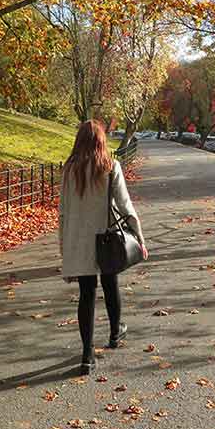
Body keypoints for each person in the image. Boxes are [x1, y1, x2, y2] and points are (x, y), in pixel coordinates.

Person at [59, 120, 148, 374]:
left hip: (79, 240)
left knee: (87, 294)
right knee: (111, 284)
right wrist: (140, 239)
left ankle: (87, 355)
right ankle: (114, 332)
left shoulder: (69, 170)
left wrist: (64, 247)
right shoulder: (110, 167)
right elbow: (125, 206)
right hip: (107, 239)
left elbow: (63, 213)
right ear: (101, 141)